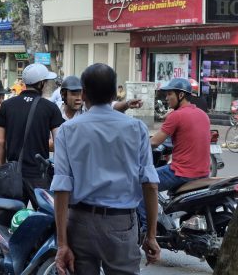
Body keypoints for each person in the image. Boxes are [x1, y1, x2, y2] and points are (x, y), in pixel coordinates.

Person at [52, 64, 160, 275]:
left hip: (80, 223)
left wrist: (62, 244)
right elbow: (150, 185)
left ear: (83, 93)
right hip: (121, 223)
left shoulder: (68, 129)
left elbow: (62, 188)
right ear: (114, 94)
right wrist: (152, 236)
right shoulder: (136, 128)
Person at [138, 78, 211, 232]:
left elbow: (154, 142)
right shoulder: (202, 114)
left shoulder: (176, 116)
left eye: (169, 94)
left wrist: (131, 146)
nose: (166, 98)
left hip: (182, 172)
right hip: (204, 172)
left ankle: (146, 230)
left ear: (181, 95)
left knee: (141, 185)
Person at [0, 63, 63, 204]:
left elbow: (1, 142)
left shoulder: (7, 106)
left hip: (13, 173)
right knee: (44, 216)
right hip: (38, 174)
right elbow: (59, 143)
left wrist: (3, 169)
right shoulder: (50, 108)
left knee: (11, 218)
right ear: (41, 84)